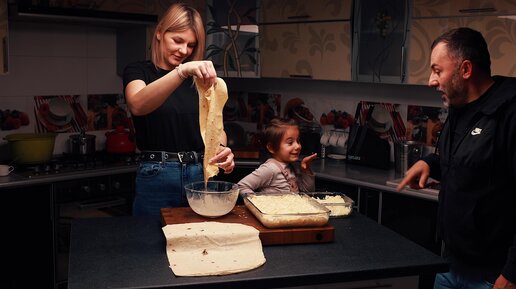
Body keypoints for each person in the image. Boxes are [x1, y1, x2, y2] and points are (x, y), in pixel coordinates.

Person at [396, 27, 516, 289]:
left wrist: (512, 273)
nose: (430, 80)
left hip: (494, 276)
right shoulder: (459, 107)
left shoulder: (510, 112)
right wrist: (430, 162)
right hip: (449, 265)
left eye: (437, 70)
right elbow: (472, 161)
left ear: (465, 69)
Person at [123, 3, 235, 216]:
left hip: (200, 175)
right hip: (157, 175)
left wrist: (221, 149)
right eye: (177, 40)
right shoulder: (139, 71)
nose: (184, 51)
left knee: (203, 243)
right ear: (159, 33)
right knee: (151, 243)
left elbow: (215, 126)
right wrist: (181, 71)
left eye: (191, 45)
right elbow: (137, 104)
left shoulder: (200, 80)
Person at [238, 118, 317, 195]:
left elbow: (308, 193)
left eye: (298, 141)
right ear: (272, 147)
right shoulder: (270, 169)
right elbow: (241, 186)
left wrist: (306, 170)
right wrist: (257, 203)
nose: (298, 146)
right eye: (290, 142)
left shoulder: (293, 166)